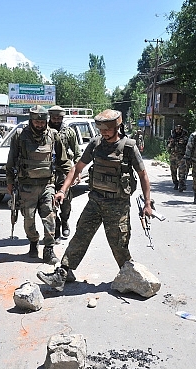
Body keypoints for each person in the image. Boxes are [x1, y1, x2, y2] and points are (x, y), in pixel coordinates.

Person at [36, 109, 152, 291]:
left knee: (119, 245)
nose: (103, 133)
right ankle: (63, 273)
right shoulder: (96, 144)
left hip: (117, 205)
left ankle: (132, 277)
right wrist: (62, 190)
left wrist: (147, 203)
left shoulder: (128, 147)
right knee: (81, 235)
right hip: (95, 201)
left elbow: (143, 175)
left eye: (107, 129)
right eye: (101, 129)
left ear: (117, 127)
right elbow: (77, 167)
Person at [6, 105, 72, 264]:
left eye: (43, 122)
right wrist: (9, 183)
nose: (40, 125)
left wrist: (70, 178)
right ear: (31, 120)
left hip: (47, 185)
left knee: (49, 217)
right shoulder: (20, 136)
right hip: (26, 186)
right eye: (37, 122)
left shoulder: (53, 135)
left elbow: (64, 161)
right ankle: (33, 241)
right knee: (28, 220)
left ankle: (49, 249)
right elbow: (11, 162)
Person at [48, 105, 80, 239]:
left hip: (64, 172)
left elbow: (78, 153)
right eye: (54, 117)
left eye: (59, 118)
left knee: (65, 201)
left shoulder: (69, 132)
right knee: (48, 202)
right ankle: (55, 225)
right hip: (48, 171)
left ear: (62, 117)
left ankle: (65, 221)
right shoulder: (44, 131)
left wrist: (76, 172)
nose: (56, 120)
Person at [167, 124, 190, 190]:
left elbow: (189, 147)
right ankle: (175, 183)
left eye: (179, 129)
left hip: (182, 157)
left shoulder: (185, 138)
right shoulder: (171, 137)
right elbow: (167, 148)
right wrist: (171, 143)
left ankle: (182, 185)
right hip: (173, 156)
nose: (178, 131)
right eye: (177, 129)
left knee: (182, 172)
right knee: (173, 172)